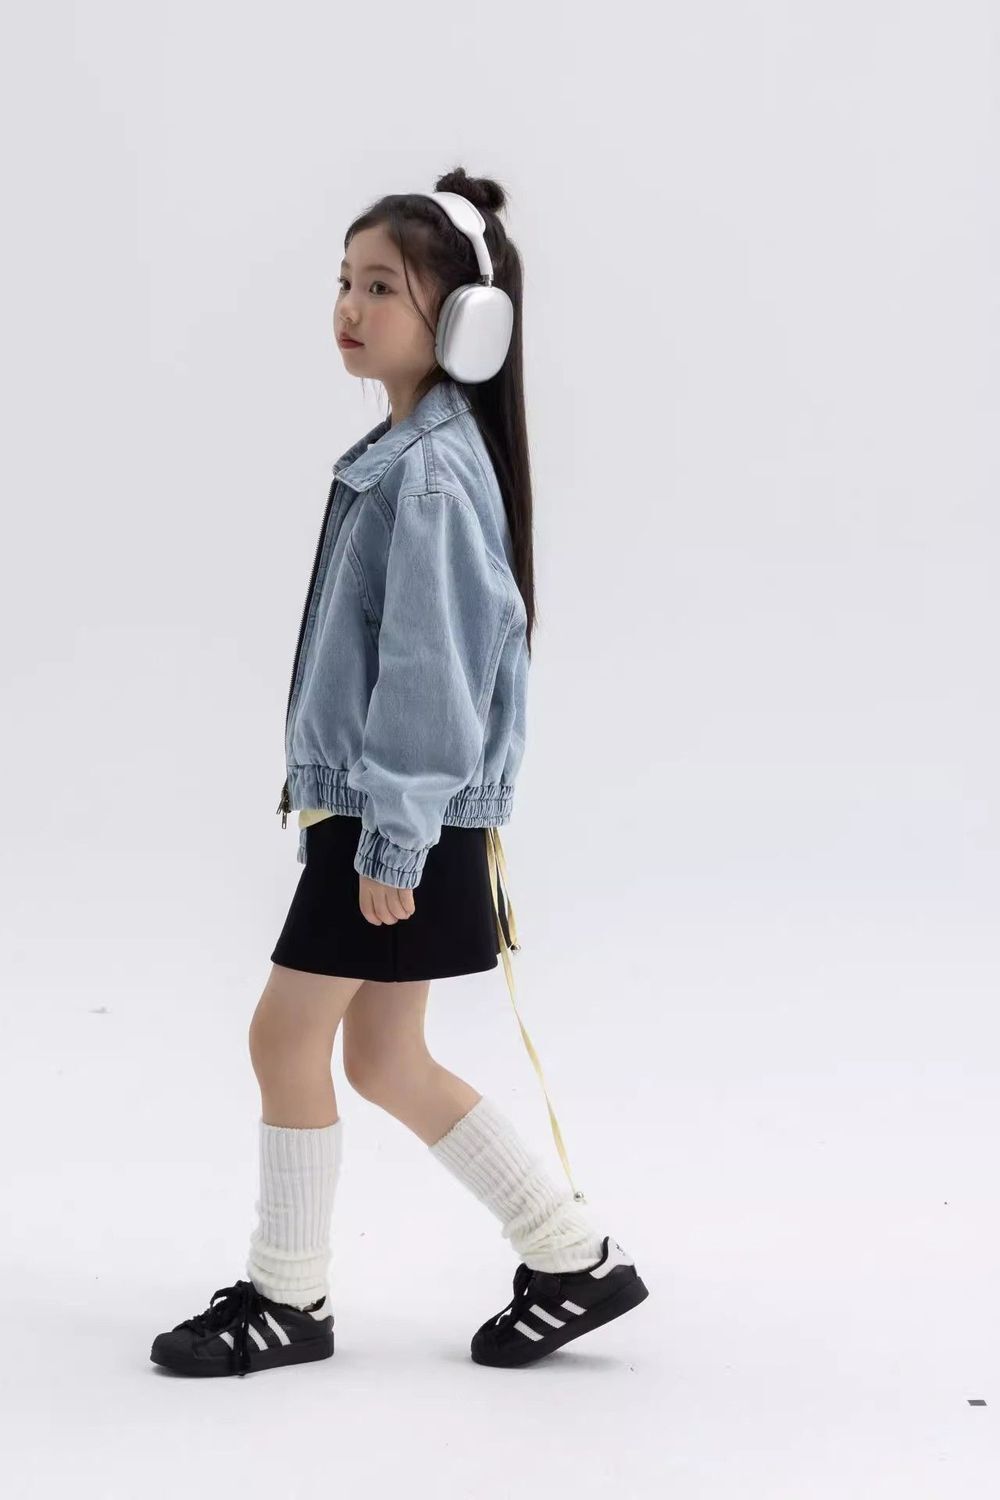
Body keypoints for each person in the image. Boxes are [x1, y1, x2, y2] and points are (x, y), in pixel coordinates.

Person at [150, 166, 648, 1379]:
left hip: (393, 814)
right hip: (394, 813)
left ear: (466, 321)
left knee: (285, 1038)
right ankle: (570, 1255)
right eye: (344, 281)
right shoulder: (408, 452)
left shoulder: (425, 472)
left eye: (382, 287)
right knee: (382, 1058)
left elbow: (432, 669)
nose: (349, 306)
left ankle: (290, 1297)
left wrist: (392, 841)